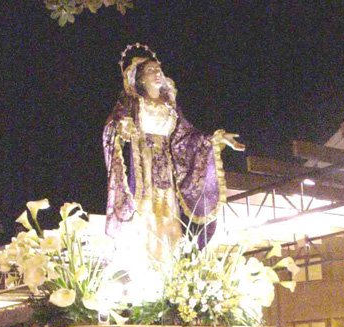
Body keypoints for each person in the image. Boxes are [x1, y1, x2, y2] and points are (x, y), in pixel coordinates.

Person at [103, 44, 244, 268]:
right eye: (151, 71)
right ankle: (144, 266)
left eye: (159, 69)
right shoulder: (132, 102)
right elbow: (115, 122)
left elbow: (186, 137)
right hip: (143, 169)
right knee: (145, 212)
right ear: (140, 80)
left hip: (166, 171)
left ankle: (169, 267)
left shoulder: (170, 107)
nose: (157, 73)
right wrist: (123, 126)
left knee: (169, 214)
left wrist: (213, 139)